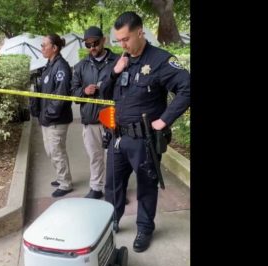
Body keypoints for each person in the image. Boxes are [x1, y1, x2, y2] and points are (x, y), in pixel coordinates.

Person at [100, 12, 191, 252]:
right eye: (119, 40)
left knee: (146, 186)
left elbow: (187, 89)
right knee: (112, 184)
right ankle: (112, 219)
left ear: (140, 32)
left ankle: (144, 228)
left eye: (126, 39)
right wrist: (114, 72)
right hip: (118, 137)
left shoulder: (160, 60)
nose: (123, 44)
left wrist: (164, 120)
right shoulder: (122, 61)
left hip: (144, 140)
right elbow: (104, 94)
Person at [71, 26, 118, 199]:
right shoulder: (80, 66)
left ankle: (115, 189)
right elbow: (73, 94)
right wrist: (85, 91)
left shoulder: (118, 62)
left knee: (115, 158)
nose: (92, 48)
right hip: (90, 119)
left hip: (112, 118)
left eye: (95, 43)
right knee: (95, 156)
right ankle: (96, 188)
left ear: (104, 40)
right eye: (88, 45)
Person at [32, 34, 74, 197]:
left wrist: (47, 115)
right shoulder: (49, 65)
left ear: (54, 48)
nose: (41, 48)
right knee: (51, 151)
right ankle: (61, 176)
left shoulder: (61, 67)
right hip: (47, 118)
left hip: (56, 119)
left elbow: (60, 97)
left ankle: (65, 183)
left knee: (57, 152)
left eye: (44, 45)